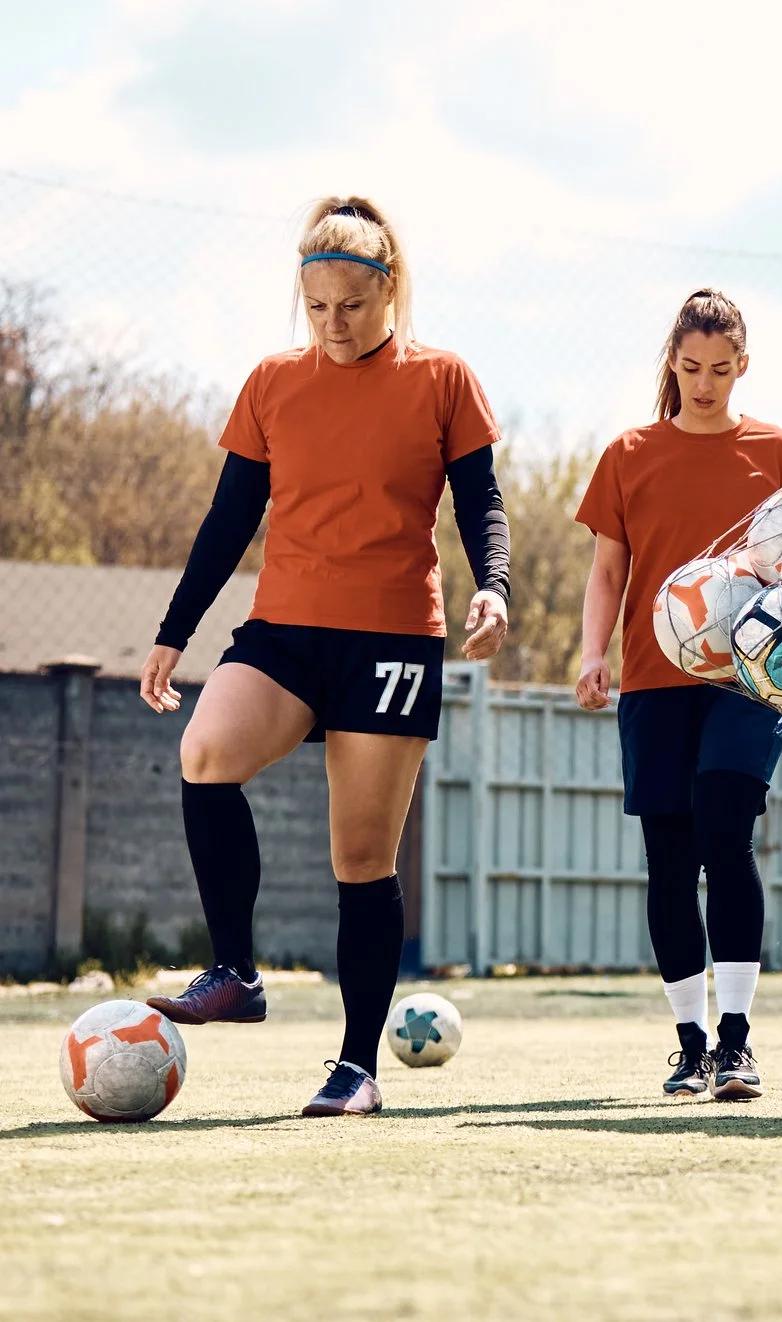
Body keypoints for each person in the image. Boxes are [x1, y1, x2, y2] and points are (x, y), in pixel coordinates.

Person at [140, 197, 510, 1118]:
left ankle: (356, 1067)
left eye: (352, 305)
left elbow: (482, 503)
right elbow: (229, 521)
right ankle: (236, 970)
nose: (334, 325)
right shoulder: (271, 382)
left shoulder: (444, 379)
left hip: (391, 637)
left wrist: (494, 583)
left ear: (389, 292)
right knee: (205, 752)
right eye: (317, 308)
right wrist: (174, 629)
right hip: (286, 630)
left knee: (360, 857)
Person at [574, 289, 782, 1102]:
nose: (705, 384)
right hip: (653, 681)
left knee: (725, 832)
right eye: (691, 367)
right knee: (669, 862)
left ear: (743, 366)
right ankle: (689, 1043)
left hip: (747, 681)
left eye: (721, 369)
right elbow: (608, 570)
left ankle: (737, 1042)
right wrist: (592, 652)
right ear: (673, 361)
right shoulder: (628, 453)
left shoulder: (774, 451)